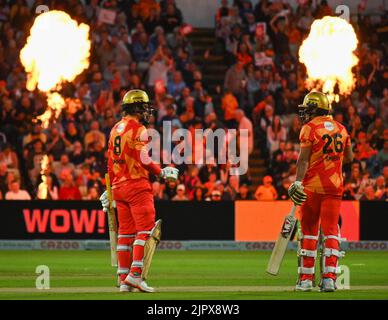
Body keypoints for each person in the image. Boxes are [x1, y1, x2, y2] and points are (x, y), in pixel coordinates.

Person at [99, 89, 178, 293]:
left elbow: (110, 162)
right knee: (145, 230)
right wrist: (161, 173)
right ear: (136, 108)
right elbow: (142, 158)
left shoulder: (115, 128)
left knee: (125, 233)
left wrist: (109, 188)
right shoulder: (139, 129)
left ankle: (124, 279)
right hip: (136, 185)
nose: (147, 112)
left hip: (119, 187)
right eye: (144, 108)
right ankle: (135, 275)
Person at [288, 91, 353, 292]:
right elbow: (349, 158)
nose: (305, 113)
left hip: (312, 187)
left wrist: (298, 182)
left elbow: (303, 159)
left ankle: (306, 279)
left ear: (316, 109)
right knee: (331, 231)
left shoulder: (309, 128)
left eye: (308, 109)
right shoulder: (342, 129)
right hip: (334, 186)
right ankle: (329, 279)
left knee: (308, 232)